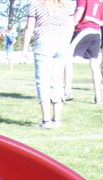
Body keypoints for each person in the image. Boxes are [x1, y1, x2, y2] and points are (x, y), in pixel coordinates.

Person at [23, 0, 74, 129]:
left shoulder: (35, 3)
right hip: (62, 42)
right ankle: (56, 120)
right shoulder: (67, 4)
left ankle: (46, 120)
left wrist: (25, 49)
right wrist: (67, 42)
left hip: (44, 40)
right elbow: (71, 26)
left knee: (42, 81)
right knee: (57, 81)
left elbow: (29, 27)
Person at [67, 0, 103, 104]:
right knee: (94, 64)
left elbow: (80, 11)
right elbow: (102, 21)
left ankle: (67, 91)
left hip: (84, 29)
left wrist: (71, 27)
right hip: (96, 32)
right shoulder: (101, 2)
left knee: (67, 58)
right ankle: (98, 95)